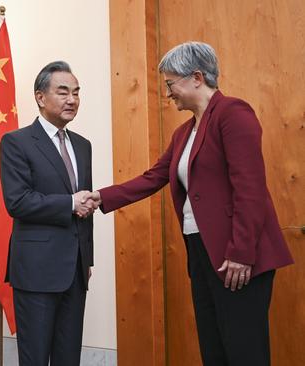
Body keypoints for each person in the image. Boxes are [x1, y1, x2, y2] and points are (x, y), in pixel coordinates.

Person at [90, 41, 293, 365]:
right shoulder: (185, 132)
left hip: (236, 255)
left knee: (244, 352)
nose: (168, 93)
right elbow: (153, 177)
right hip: (201, 252)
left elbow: (250, 190)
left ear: (197, 77)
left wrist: (241, 253)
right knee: (214, 351)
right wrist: (101, 196)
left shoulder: (233, 114)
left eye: (171, 84)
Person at [0, 61, 98, 365]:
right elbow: (18, 202)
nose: (72, 100)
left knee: (69, 358)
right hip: (36, 272)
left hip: (76, 271)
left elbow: (86, 208)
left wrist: (88, 258)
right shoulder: (16, 142)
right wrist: (69, 203)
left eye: (77, 93)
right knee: (36, 358)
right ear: (41, 97)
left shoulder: (83, 145)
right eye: (63, 92)